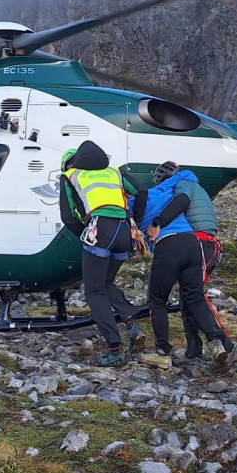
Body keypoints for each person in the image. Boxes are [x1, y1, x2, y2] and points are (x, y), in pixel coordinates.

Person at [133, 166, 237, 373]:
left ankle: (226, 346)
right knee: (190, 297)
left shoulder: (182, 185)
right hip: (201, 243)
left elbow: (180, 202)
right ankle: (195, 350)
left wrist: (158, 222)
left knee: (190, 297)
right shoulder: (195, 186)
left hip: (197, 242)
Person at [59, 140, 147, 366]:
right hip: (124, 232)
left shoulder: (70, 176)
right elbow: (142, 190)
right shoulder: (114, 172)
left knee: (94, 291)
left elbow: (68, 216)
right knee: (105, 283)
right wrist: (135, 218)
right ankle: (132, 324)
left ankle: (114, 351)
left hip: (100, 231)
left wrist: (85, 232)